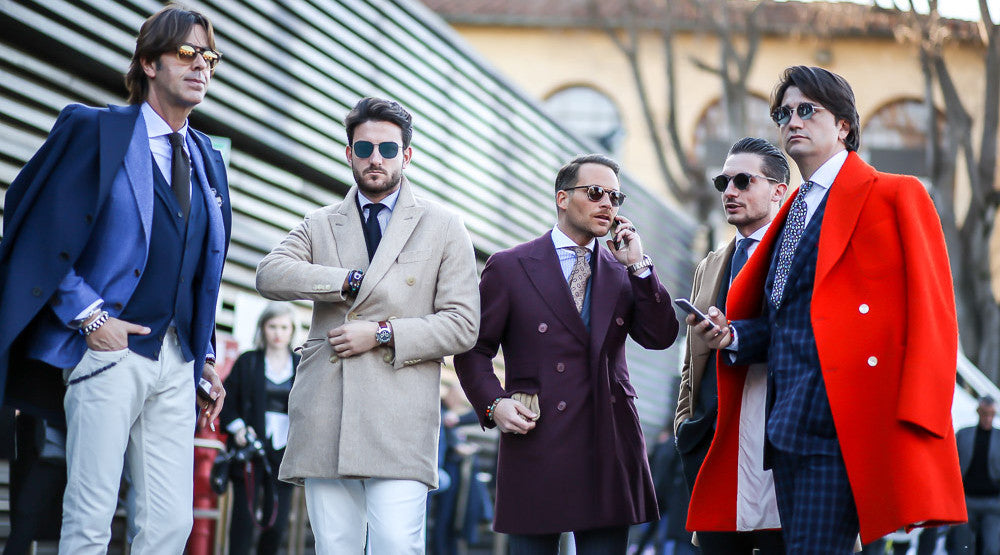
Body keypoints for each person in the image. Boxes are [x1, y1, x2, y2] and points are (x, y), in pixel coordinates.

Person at [687, 65, 966, 553]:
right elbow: (786, 321)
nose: (792, 120)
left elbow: (934, 311)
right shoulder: (792, 210)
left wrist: (921, 416)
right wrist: (734, 336)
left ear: (843, 125)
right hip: (784, 428)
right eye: (783, 113)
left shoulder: (895, 194)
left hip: (843, 424)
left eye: (806, 110)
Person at [0, 5, 230, 553]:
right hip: (107, 349)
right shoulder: (95, 129)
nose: (201, 65)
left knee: (171, 525)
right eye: (187, 53)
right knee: (90, 518)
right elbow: (36, 228)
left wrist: (203, 356)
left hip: (177, 361)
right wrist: (90, 317)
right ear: (149, 63)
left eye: (210, 57)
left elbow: (200, 265)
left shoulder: (208, 156)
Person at [255, 96, 480, 554]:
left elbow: (462, 324)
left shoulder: (443, 225)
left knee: (396, 544)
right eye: (364, 148)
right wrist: (348, 281)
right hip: (326, 408)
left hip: (400, 414)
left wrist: (382, 333)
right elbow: (270, 274)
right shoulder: (319, 223)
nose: (376, 158)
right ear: (349, 154)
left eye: (388, 149)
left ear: (406, 155)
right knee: (334, 545)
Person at [454, 153, 679, 554]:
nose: (607, 203)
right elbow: (473, 350)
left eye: (615, 197)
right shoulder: (510, 266)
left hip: (609, 440)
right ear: (562, 198)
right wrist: (494, 405)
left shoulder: (623, 270)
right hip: (537, 436)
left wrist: (640, 268)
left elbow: (660, 337)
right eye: (595, 193)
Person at [674, 137, 788, 554]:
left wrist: (736, 335)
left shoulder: (799, 255)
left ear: (778, 191)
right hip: (715, 447)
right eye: (723, 182)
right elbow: (691, 363)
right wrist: (686, 425)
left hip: (779, 448)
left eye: (743, 180)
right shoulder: (711, 263)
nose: (729, 191)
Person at [220, 303, 300, 555]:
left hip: (285, 453)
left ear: (292, 330)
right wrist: (238, 428)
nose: (278, 333)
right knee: (243, 522)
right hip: (251, 451)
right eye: (272, 326)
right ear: (263, 328)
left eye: (284, 327)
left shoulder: (301, 364)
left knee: (276, 525)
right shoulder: (248, 361)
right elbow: (227, 402)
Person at [954, 396, 1000, 554]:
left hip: (992, 502)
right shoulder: (964, 435)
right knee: (962, 547)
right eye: (985, 413)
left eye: (991, 414)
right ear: (978, 412)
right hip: (966, 500)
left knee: (991, 547)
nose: (988, 418)